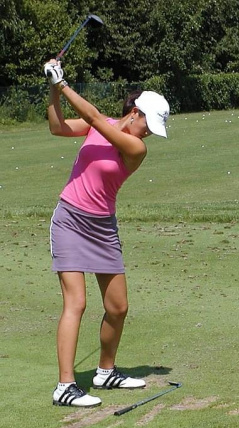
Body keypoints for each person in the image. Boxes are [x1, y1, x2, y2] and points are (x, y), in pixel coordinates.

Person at [44, 60, 170, 407]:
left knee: (118, 307)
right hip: (70, 220)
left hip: (102, 228)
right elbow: (56, 126)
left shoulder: (135, 149)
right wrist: (54, 88)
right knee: (77, 302)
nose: (148, 135)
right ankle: (65, 386)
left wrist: (64, 83)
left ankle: (105, 370)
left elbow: (96, 118)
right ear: (135, 113)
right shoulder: (100, 127)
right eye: (148, 125)